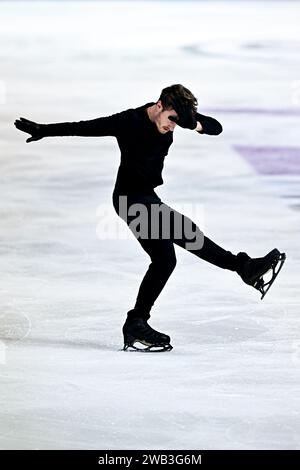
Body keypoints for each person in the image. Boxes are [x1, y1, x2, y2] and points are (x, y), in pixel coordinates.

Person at [14, 84, 286, 352]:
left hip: (147, 196)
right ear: (159, 106)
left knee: (166, 259)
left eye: (177, 123)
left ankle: (137, 322)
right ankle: (244, 268)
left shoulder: (176, 117)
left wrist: (193, 124)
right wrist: (43, 131)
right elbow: (85, 127)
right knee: (183, 234)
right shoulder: (129, 122)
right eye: (170, 120)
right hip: (129, 199)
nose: (172, 127)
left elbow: (216, 128)